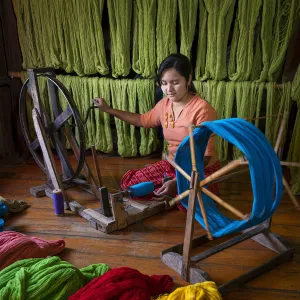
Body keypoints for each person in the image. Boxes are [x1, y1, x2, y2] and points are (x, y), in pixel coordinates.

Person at [93, 53, 220, 202]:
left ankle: (175, 190)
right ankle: (170, 189)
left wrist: (179, 181)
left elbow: (204, 156)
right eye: (164, 83)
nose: (169, 89)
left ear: (189, 79)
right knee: (131, 185)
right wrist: (108, 109)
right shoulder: (164, 104)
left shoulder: (202, 109)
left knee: (190, 201)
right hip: (173, 165)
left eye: (175, 82)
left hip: (198, 170)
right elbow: (142, 120)